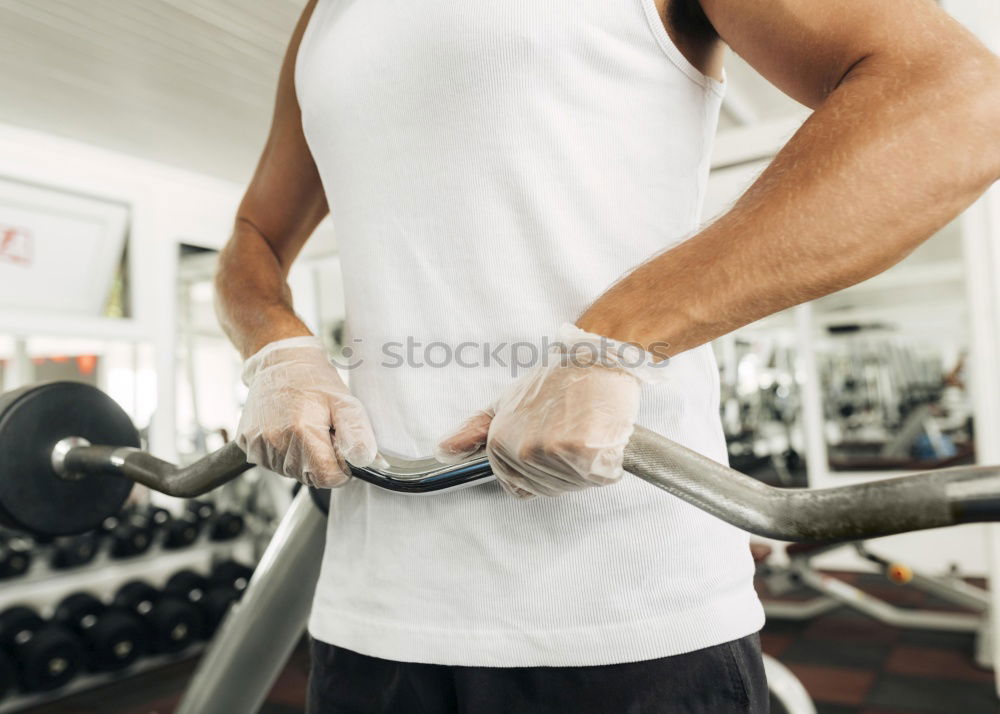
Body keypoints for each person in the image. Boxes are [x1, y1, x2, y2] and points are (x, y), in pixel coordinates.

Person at [215, 0, 1000, 711]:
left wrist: (606, 342)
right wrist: (277, 353)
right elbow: (251, 238)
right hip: (371, 619)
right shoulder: (327, 15)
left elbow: (957, 100)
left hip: (626, 609)